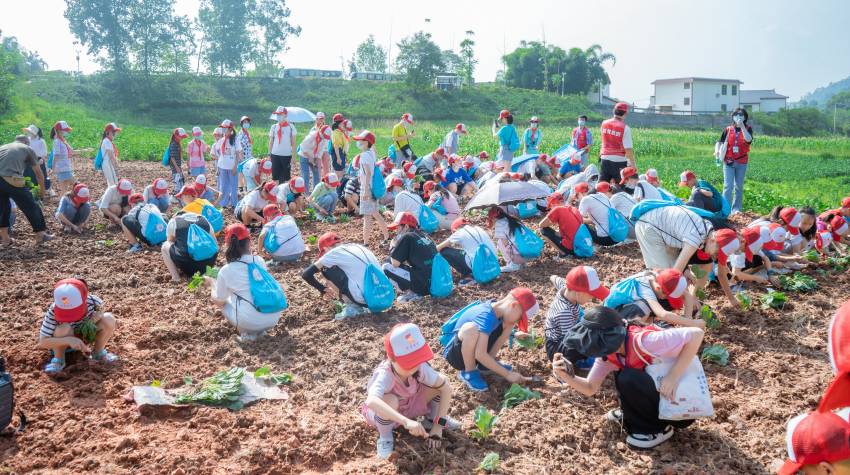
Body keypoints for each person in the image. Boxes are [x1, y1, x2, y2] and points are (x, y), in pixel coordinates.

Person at [552, 306, 704, 449]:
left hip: (681, 407)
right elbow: (591, 387)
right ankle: (633, 415)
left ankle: (657, 429)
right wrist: (566, 376)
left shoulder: (644, 341)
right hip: (662, 398)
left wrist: (673, 376)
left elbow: (697, 334)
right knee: (623, 376)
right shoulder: (609, 355)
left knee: (628, 377)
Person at [363, 323, 456, 460]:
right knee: (390, 400)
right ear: (391, 358)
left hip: (410, 404)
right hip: (386, 413)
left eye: (417, 359)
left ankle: (431, 419)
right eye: (409, 362)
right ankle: (385, 438)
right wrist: (405, 421)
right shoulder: (385, 374)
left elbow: (446, 387)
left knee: (438, 386)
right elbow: (371, 401)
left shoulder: (419, 368)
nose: (414, 367)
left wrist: (439, 426)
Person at [633, 206, 740, 310]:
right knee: (663, 277)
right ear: (713, 241)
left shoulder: (708, 230)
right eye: (717, 253)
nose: (715, 256)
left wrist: (686, 274)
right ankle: (656, 311)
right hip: (649, 227)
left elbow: (680, 263)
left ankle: (686, 303)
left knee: (701, 266)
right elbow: (674, 275)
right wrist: (689, 300)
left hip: (664, 231)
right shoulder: (696, 238)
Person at [441, 288, 539, 391]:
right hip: (457, 355)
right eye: (519, 318)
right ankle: (469, 372)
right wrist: (508, 375)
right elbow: (480, 354)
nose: (518, 322)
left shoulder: (500, 312)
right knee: (470, 329)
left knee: (509, 324)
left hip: (475, 350)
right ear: (513, 305)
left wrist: (513, 334)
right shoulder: (485, 315)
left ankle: (485, 365)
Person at [203, 223, 283, 341]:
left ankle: (246, 334)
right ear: (249, 242)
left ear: (228, 245)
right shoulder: (259, 261)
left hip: (249, 322)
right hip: (273, 319)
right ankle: (260, 332)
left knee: (225, 301)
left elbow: (219, 300)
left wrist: (212, 283)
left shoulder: (226, 270)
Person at [37, 278, 118, 375]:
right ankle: (59, 360)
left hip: (84, 337)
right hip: (63, 344)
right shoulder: (53, 310)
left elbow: (103, 318)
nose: (71, 317)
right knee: (64, 328)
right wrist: (69, 340)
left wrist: (92, 320)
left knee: (108, 319)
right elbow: (43, 342)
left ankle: (98, 353)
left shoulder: (94, 302)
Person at [301, 232, 381, 319]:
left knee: (325, 269)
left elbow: (306, 275)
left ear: (325, 248)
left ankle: (351, 304)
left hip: (367, 300)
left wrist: (322, 289)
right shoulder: (355, 246)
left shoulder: (333, 253)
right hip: (385, 294)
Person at [544, 266, 610, 361]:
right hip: (557, 347)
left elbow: (555, 279)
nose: (592, 298)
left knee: (590, 317)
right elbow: (571, 339)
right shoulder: (564, 313)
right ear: (578, 293)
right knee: (590, 340)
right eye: (591, 295)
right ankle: (580, 362)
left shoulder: (566, 287)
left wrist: (552, 277)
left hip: (568, 328)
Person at [605, 269, 704, 327]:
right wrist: (693, 323)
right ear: (658, 288)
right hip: (612, 318)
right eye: (667, 295)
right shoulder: (645, 289)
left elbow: (686, 294)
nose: (667, 298)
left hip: (624, 308)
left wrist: (688, 320)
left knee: (648, 307)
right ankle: (633, 334)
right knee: (644, 307)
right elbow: (663, 315)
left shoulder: (658, 276)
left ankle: (645, 327)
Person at [0, 136, 52, 247]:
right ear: (26, 142)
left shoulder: (3, 147)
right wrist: (42, 193)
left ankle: (5, 239)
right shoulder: (27, 148)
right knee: (31, 206)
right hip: (11, 178)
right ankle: (41, 235)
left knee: (3, 208)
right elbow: (39, 174)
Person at [382, 212, 439, 302]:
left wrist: (393, 246)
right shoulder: (424, 234)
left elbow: (395, 263)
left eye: (398, 227)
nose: (396, 231)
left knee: (386, 264)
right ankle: (415, 290)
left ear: (406, 227)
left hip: (423, 285)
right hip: (436, 282)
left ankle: (413, 293)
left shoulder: (407, 236)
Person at [354, 130, 389, 245]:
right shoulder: (372, 153)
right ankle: (386, 237)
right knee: (376, 214)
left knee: (367, 217)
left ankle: (365, 243)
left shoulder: (364, 155)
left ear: (366, 142)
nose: (358, 142)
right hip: (373, 188)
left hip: (367, 188)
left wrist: (364, 191)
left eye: (360, 140)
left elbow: (368, 173)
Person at [436, 217, 496, 285]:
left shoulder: (459, 232)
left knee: (445, 251)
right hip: (493, 263)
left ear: (455, 229)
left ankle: (471, 275)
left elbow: (438, 248)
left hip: (479, 266)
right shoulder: (478, 228)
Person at [161, 211, 218, 282]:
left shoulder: (174, 221)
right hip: (209, 263)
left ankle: (176, 278)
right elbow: (215, 244)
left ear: (175, 216)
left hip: (188, 266)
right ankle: (207, 272)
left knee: (165, 246)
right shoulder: (204, 219)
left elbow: (170, 241)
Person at [718, 108, 754, 215]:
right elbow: (720, 142)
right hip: (728, 161)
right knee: (727, 186)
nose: (738, 117)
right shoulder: (728, 129)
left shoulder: (748, 128)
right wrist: (717, 151)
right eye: (736, 115)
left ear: (745, 117)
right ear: (733, 116)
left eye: (741, 115)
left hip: (742, 161)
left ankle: (736, 209)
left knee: (738, 186)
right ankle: (726, 208)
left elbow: (748, 139)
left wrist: (742, 126)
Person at [599, 102, 635, 185]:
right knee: (620, 186)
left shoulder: (604, 123)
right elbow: (628, 150)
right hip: (619, 160)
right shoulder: (625, 128)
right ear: (625, 113)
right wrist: (633, 165)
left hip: (604, 158)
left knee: (603, 185)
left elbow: (603, 140)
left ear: (614, 111)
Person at [487, 207, 532, 272]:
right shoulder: (512, 218)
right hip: (530, 252)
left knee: (500, 242)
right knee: (512, 241)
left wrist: (512, 258)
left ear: (494, 218)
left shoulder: (499, 223)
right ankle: (522, 263)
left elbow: (505, 243)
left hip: (519, 256)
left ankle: (513, 264)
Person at [577, 181, 618, 246]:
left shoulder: (585, 199)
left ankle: (587, 246)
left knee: (580, 225)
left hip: (606, 240)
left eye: (577, 196)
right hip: (618, 236)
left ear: (580, 194)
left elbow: (578, 218)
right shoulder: (605, 198)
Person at [215, 119, 243, 209]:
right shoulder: (221, 140)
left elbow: (238, 153)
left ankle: (234, 204)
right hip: (222, 167)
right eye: (222, 128)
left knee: (233, 186)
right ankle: (224, 203)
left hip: (232, 167)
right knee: (223, 186)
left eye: (225, 128)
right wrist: (218, 168)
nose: (223, 130)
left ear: (230, 129)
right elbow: (219, 155)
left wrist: (235, 166)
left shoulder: (235, 140)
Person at [298, 124, 332, 192]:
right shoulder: (311, 136)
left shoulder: (324, 139)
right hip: (304, 156)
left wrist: (317, 161)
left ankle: (315, 192)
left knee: (317, 174)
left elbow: (320, 152)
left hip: (314, 157)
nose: (324, 137)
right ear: (320, 131)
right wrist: (309, 158)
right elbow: (302, 147)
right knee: (306, 175)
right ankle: (305, 193)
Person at [268, 106, 298, 183]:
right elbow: (271, 141)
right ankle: (276, 193)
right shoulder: (274, 127)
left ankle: (284, 193)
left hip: (286, 155)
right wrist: (269, 154)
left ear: (285, 115)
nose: (278, 116)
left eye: (280, 114)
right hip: (275, 154)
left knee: (286, 177)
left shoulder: (291, 127)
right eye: (277, 114)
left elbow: (294, 143)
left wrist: (294, 157)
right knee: (275, 177)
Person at [21, 124, 51, 197]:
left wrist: (42, 159)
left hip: (38, 160)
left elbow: (44, 152)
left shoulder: (41, 141)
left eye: (29, 132)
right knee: (28, 175)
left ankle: (44, 191)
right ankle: (30, 192)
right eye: (28, 132)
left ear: (34, 133)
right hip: (28, 160)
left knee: (41, 176)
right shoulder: (27, 139)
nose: (28, 133)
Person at [50, 121, 75, 196]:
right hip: (62, 168)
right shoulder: (57, 141)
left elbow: (71, 151)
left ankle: (62, 205)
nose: (66, 131)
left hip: (65, 166)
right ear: (59, 130)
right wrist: (53, 168)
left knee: (64, 189)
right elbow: (55, 155)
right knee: (77, 184)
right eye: (65, 130)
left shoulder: (62, 140)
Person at [99, 122, 121, 187]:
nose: (115, 134)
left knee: (111, 185)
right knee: (114, 185)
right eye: (114, 132)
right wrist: (116, 168)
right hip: (109, 164)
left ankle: (105, 197)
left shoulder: (108, 141)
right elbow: (111, 156)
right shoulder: (107, 141)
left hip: (108, 164)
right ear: (108, 132)